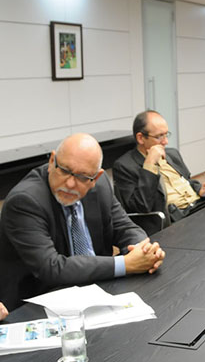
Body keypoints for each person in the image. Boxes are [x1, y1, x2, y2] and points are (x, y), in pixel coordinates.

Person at [0, 133, 165, 311]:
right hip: (38, 303)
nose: (70, 183)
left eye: (82, 177)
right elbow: (51, 268)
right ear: (52, 161)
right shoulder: (25, 201)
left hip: (97, 291)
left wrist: (143, 251)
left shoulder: (100, 185)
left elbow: (124, 227)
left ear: (96, 177)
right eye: (64, 170)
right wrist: (126, 264)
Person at [112, 110, 205, 223]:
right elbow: (141, 207)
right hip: (174, 220)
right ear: (140, 138)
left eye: (166, 134)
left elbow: (187, 181)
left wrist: (201, 190)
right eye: (159, 136)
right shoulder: (124, 166)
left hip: (198, 206)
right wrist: (149, 164)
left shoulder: (172, 154)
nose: (165, 141)